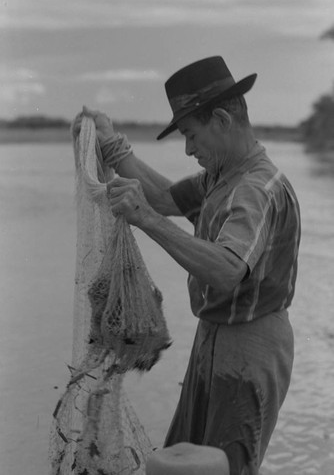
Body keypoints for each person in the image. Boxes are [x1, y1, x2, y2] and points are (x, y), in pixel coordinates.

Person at [73, 56, 301, 475]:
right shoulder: (223, 175)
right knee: (181, 460)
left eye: (191, 135)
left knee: (224, 466)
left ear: (221, 120)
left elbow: (228, 270)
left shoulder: (254, 188)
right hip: (212, 337)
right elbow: (163, 198)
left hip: (250, 347)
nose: (188, 149)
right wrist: (112, 145)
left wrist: (145, 219)